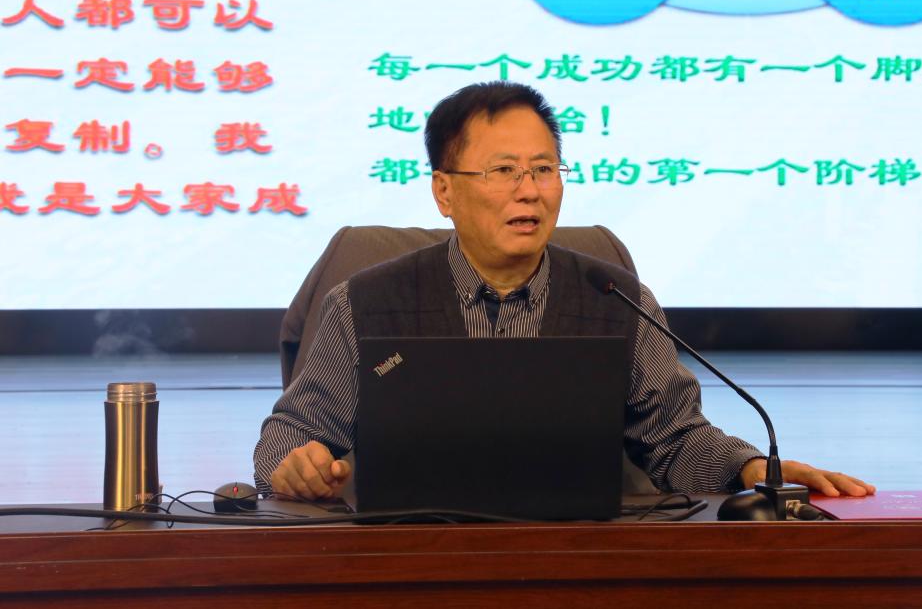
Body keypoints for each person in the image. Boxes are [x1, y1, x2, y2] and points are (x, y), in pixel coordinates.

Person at [253, 81, 875, 502]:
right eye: (503, 171)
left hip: (579, 560)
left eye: (544, 169)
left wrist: (750, 467)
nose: (530, 190)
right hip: (412, 560)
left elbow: (676, 438)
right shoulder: (364, 302)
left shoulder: (615, 297)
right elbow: (291, 433)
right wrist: (296, 464)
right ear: (444, 190)